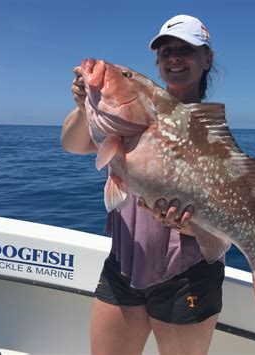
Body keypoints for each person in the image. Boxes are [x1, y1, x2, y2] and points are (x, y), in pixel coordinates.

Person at [61, 14, 227, 355]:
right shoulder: (127, 118)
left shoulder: (210, 133)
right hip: (123, 264)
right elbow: (72, 144)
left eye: (186, 50)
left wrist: (194, 229)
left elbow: (223, 226)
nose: (174, 58)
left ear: (206, 59)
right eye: (166, 51)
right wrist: (83, 106)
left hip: (187, 276)